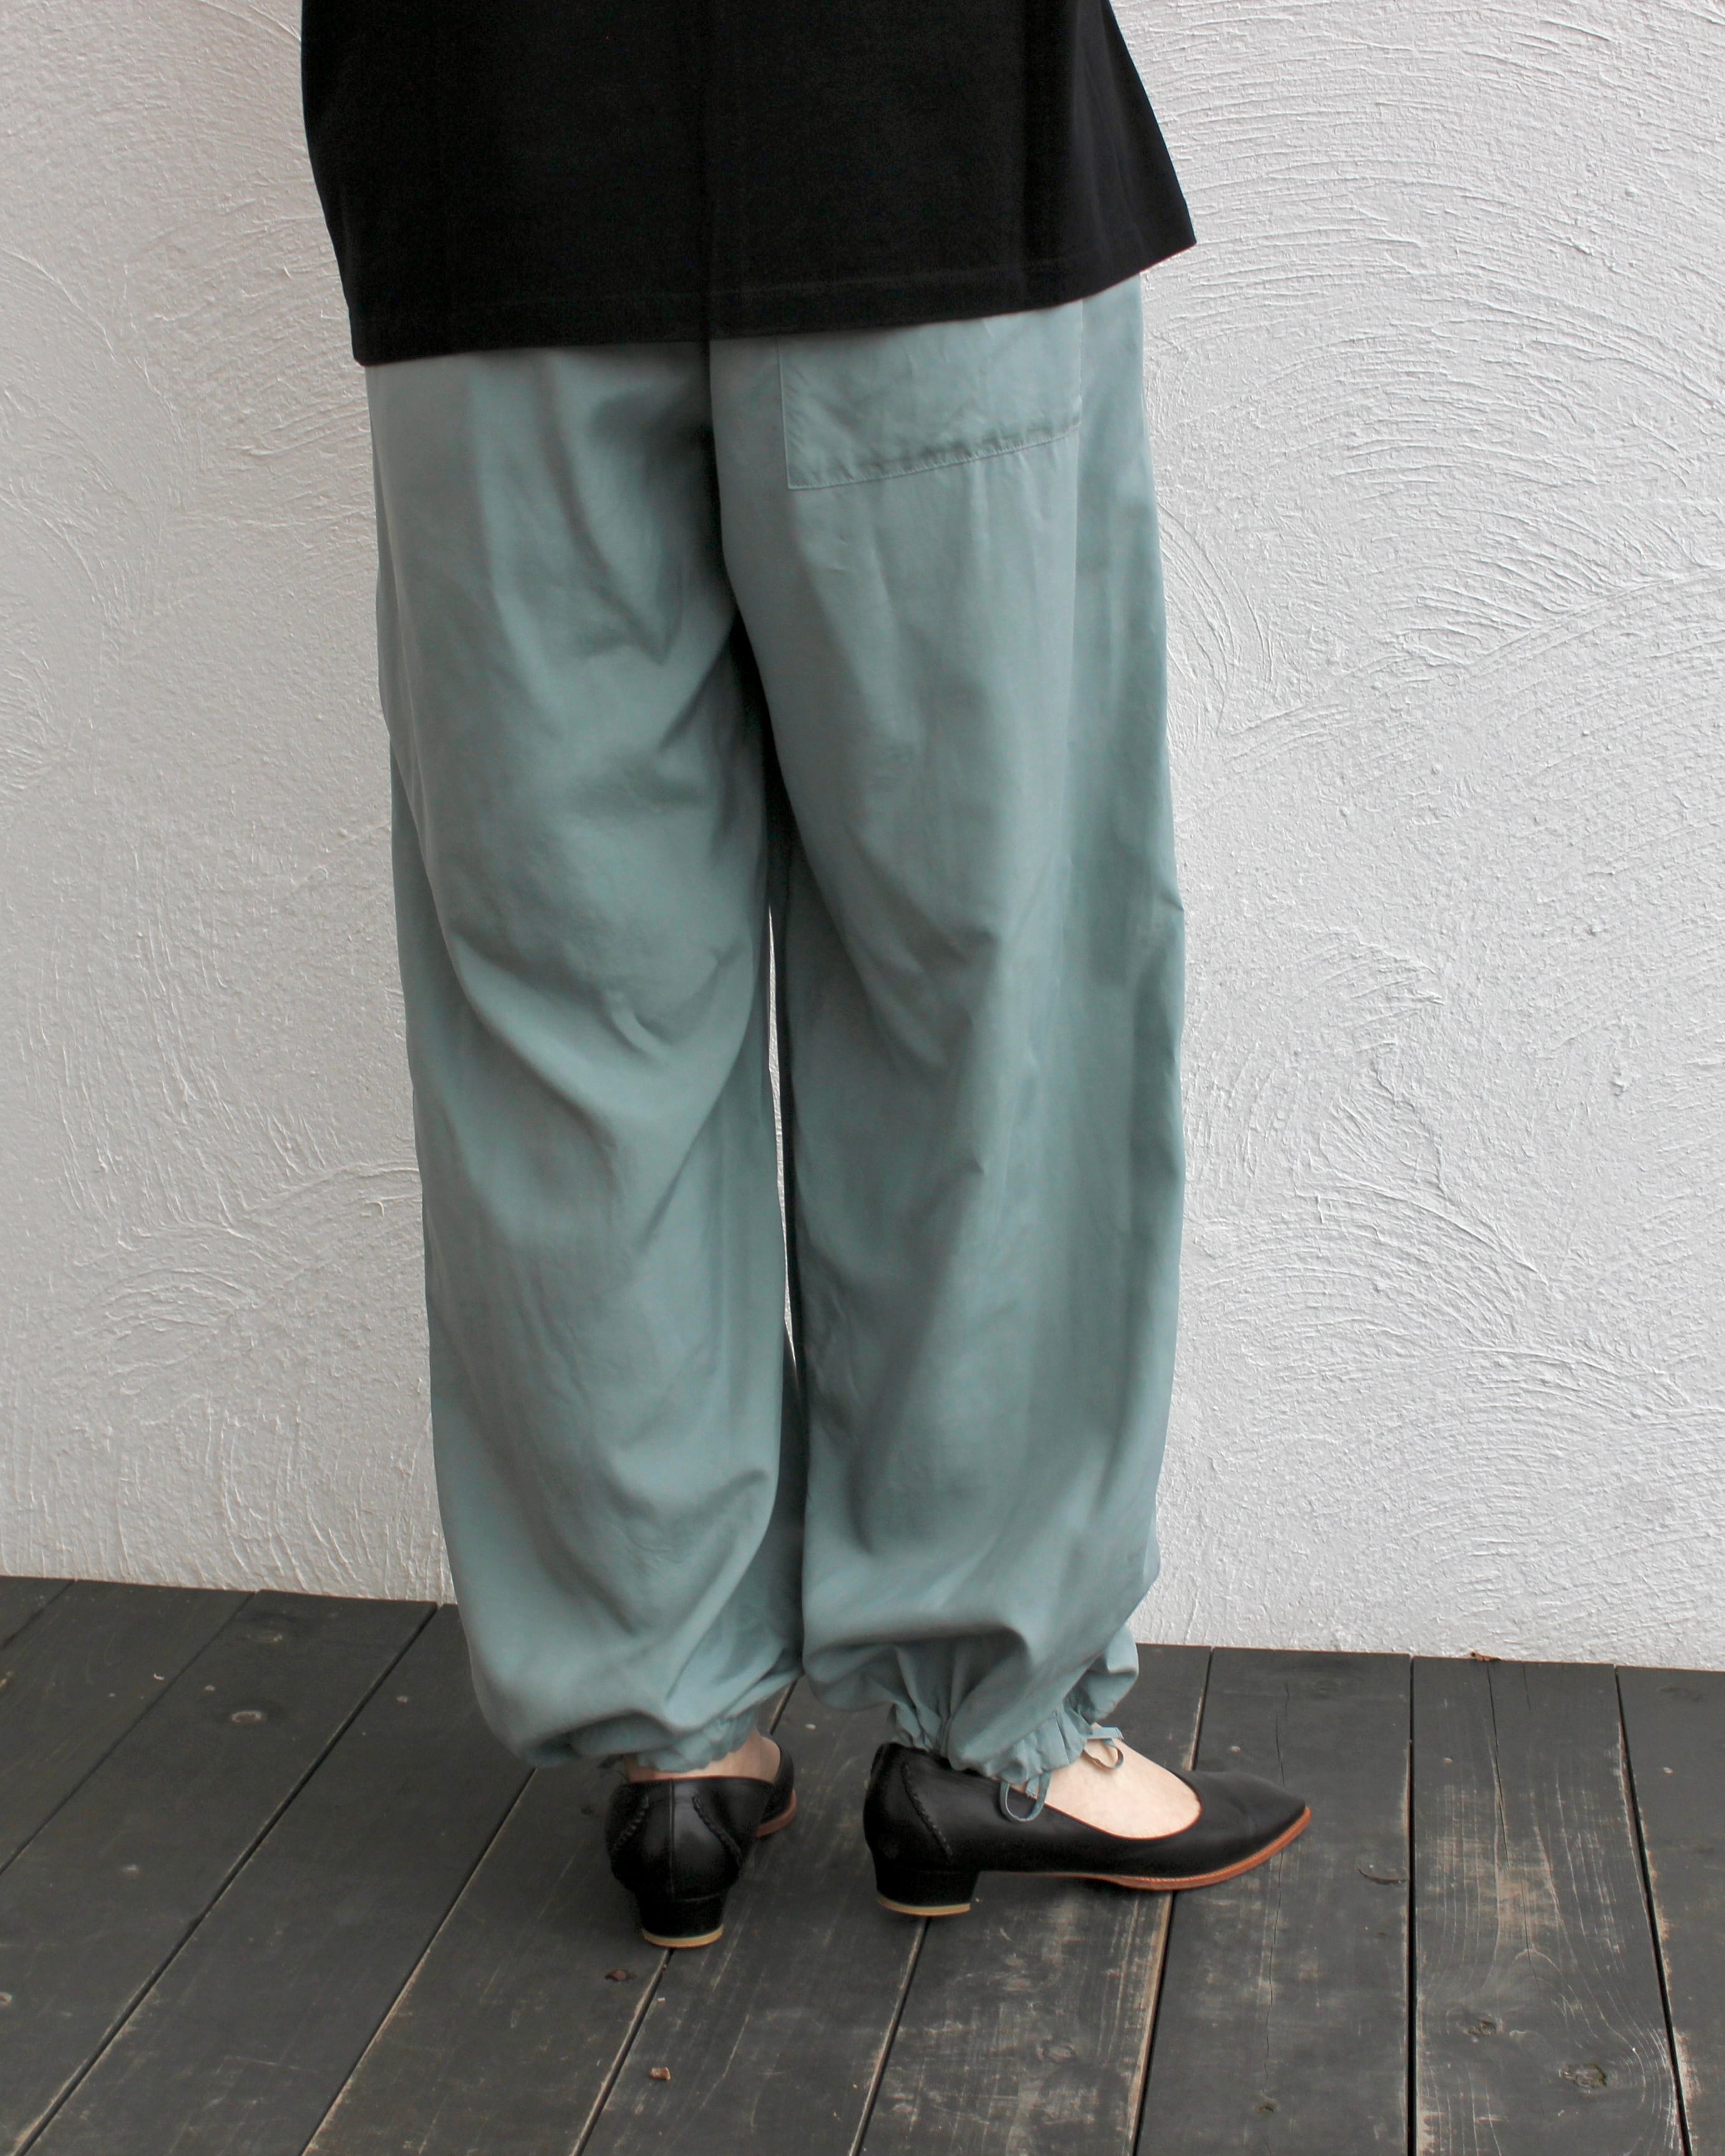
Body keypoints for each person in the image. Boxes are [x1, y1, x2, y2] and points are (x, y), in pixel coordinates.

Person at [300, 0, 1310, 1951]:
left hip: (486, 163)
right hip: (920, 129)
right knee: (992, 983)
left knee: (572, 1016)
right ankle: (992, 1732)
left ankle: (672, 1737)